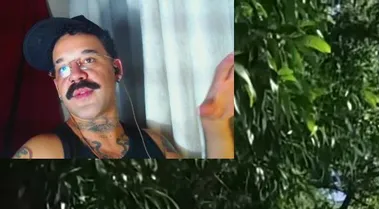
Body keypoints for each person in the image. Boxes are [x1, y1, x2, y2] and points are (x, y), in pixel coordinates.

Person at [13, 15, 234, 159]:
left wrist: (215, 124)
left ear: (116, 70)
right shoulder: (43, 151)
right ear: (57, 87)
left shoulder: (156, 143)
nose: (76, 75)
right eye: (63, 68)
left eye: (88, 60)